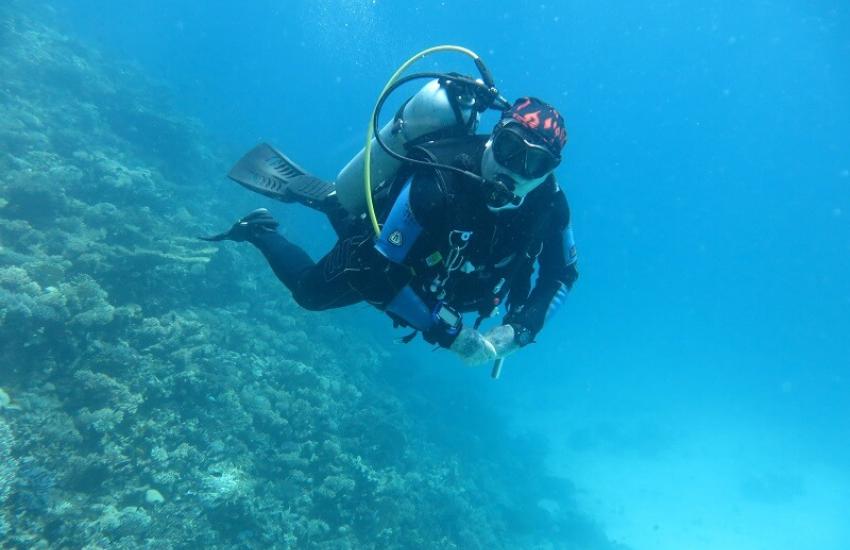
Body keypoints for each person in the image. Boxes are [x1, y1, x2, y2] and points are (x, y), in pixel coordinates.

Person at [205, 96, 578, 367]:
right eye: (509, 147)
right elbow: (375, 270)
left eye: (535, 162)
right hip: (390, 254)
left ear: (550, 170)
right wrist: (446, 333)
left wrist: (520, 330)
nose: (513, 169)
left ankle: (339, 200)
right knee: (310, 294)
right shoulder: (438, 179)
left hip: (433, 268)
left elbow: (562, 274)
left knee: (364, 220)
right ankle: (258, 229)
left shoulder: (550, 205)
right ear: (495, 135)